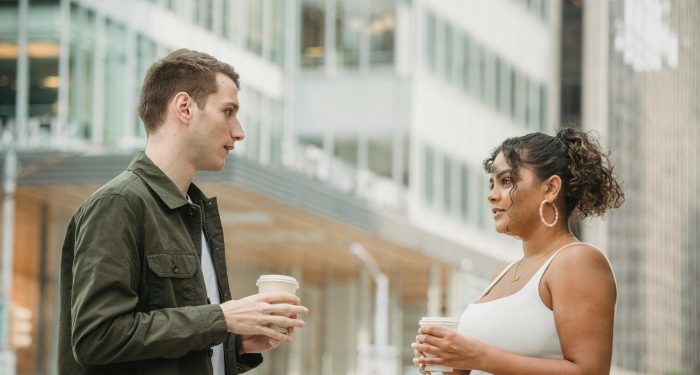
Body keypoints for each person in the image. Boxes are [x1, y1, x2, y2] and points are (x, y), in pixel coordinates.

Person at [58, 49, 308, 375]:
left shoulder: (195, 212)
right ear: (185, 107)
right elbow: (97, 337)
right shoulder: (119, 204)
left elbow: (177, 345)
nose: (239, 131)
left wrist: (236, 341)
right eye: (228, 111)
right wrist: (221, 318)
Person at [413, 127, 624, 374]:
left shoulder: (577, 261)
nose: (491, 195)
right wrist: (450, 362)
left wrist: (478, 357)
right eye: (492, 183)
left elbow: (590, 372)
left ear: (551, 188)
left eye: (507, 181)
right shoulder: (501, 274)